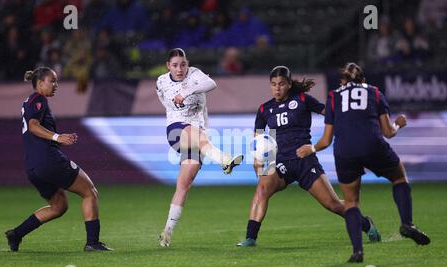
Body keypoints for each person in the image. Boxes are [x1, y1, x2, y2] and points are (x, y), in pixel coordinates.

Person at [297, 62, 430, 263]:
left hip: (346, 150)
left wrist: (312, 149)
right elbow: (388, 132)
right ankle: (407, 223)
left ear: (342, 81)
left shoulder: (334, 96)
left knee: (351, 202)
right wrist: (399, 124)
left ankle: (357, 252)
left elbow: (326, 141)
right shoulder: (375, 92)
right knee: (399, 177)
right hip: (372, 144)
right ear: (363, 80)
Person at [237, 66, 380, 248]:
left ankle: (366, 224)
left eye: (281, 84)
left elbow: (330, 114)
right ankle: (251, 238)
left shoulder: (303, 100)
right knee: (262, 189)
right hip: (280, 161)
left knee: (332, 204)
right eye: (273, 85)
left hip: (305, 161)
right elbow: (259, 135)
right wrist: (258, 158)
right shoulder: (265, 109)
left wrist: (350, 121)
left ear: (289, 84)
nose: (277, 88)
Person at [5, 67, 112, 252]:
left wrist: (56, 138)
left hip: (32, 167)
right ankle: (92, 243)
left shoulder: (29, 101)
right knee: (90, 192)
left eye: (56, 81)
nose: (56, 85)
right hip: (48, 160)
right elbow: (32, 126)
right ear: (40, 83)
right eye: (52, 81)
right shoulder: (38, 99)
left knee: (59, 205)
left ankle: (17, 234)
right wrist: (57, 137)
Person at [156, 48, 243, 247]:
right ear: (168, 66)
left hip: (196, 130)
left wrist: (186, 91)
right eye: (175, 65)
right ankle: (225, 160)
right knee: (202, 140)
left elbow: (211, 84)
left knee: (184, 186)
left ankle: (167, 231)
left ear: (188, 63)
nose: (180, 69)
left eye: (183, 64)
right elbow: (168, 105)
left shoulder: (195, 74)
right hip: (176, 129)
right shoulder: (161, 81)